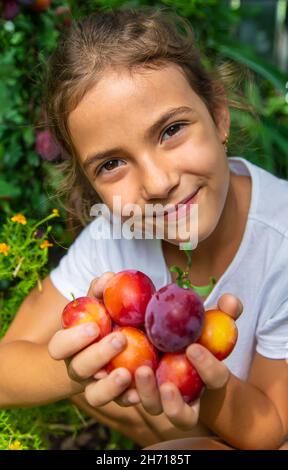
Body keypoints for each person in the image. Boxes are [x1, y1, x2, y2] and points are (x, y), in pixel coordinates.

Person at [0, 6, 287, 450]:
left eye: (172, 130)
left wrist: (195, 377)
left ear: (219, 116)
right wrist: (82, 366)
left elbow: (270, 432)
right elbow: (6, 370)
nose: (157, 183)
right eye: (112, 164)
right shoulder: (113, 240)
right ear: (91, 186)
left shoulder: (281, 243)